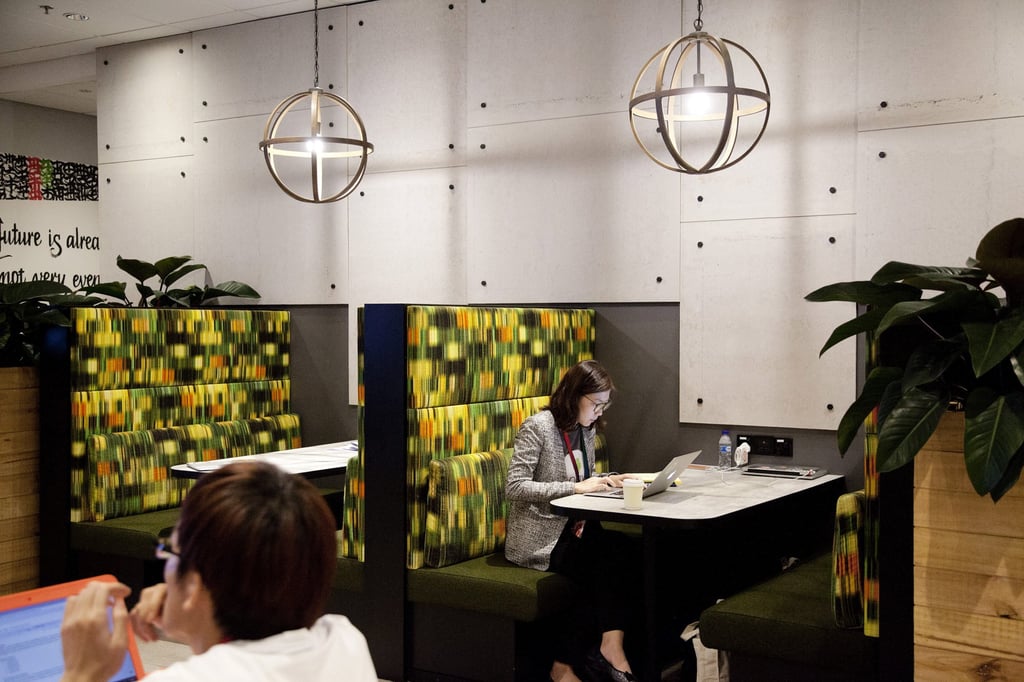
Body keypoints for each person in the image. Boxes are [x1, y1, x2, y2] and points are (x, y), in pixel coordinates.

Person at [60, 461, 378, 682]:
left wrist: (80, 674)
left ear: (196, 585)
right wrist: (194, 602)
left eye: (170, 550)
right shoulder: (345, 641)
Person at [505, 359, 641, 682]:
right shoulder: (539, 426)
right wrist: (575, 488)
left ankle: (604, 648)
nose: (599, 413)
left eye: (604, 406)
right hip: (538, 535)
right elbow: (514, 485)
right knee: (601, 560)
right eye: (596, 404)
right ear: (574, 395)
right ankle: (579, 662)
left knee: (625, 550)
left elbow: (584, 476)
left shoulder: (586, 429)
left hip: (574, 527)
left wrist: (608, 480)